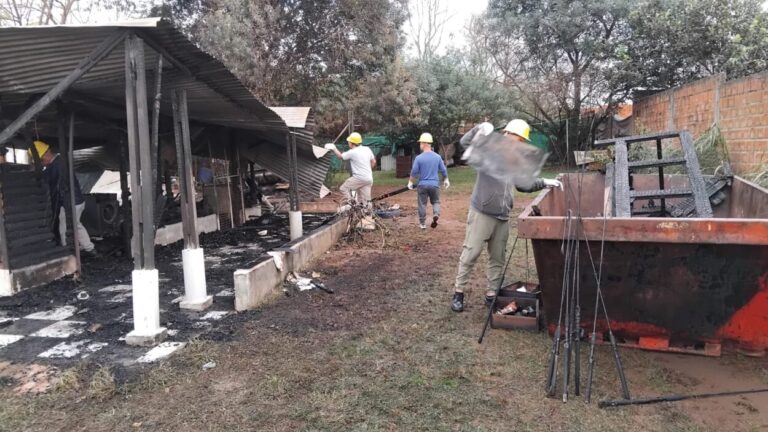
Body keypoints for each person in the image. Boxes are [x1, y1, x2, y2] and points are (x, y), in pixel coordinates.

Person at [450, 119, 562, 313]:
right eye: (517, 138)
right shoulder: (488, 150)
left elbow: (523, 184)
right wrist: (478, 128)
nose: (518, 143)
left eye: (521, 140)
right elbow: (465, 144)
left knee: (497, 258)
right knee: (471, 253)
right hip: (482, 212)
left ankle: (491, 294)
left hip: (502, 215)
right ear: (507, 134)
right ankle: (458, 293)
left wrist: (544, 181)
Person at [29, 140, 97, 257]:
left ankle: (75, 250)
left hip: (73, 202)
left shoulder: (57, 165)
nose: (42, 163)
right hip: (70, 201)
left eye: (41, 160)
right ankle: (81, 247)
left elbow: (46, 178)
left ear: (46, 154)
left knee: (72, 226)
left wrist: (33, 175)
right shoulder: (58, 162)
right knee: (70, 225)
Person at [407, 132, 450, 229]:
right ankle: (436, 214)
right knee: (436, 202)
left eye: (420, 143)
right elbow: (443, 170)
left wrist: (410, 182)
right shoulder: (437, 157)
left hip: (422, 185)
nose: (420, 145)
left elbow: (414, 172)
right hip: (434, 185)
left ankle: (422, 224)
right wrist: (446, 179)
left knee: (422, 204)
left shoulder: (419, 158)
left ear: (423, 143)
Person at [325, 132, 376, 208]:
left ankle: (352, 204)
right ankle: (367, 215)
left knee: (343, 188)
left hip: (359, 178)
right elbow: (373, 161)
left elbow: (340, 156)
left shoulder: (352, 152)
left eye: (349, 142)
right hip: (368, 178)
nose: (348, 143)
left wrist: (334, 148)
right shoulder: (367, 149)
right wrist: (368, 171)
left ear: (352, 143)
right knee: (366, 201)